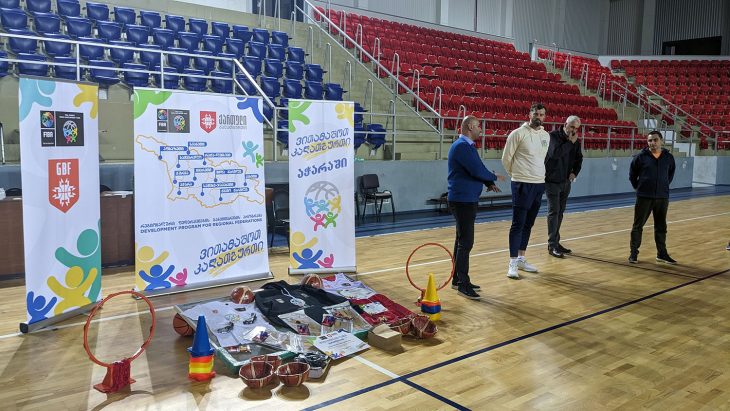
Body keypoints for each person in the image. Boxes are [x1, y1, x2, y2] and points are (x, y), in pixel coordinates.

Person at [448, 115, 505, 300]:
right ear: (470, 127)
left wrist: (488, 182)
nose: (481, 129)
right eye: (479, 126)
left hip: (466, 199)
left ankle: (458, 279)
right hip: (463, 200)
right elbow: (477, 170)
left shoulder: (467, 146)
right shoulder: (462, 147)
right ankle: (463, 284)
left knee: (461, 240)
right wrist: (494, 177)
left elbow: (476, 168)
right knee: (466, 243)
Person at [501, 102, 550, 279]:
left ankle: (521, 258)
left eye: (542, 115)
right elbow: (506, 159)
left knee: (529, 223)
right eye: (536, 114)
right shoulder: (517, 134)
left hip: (539, 184)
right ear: (530, 114)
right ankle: (512, 262)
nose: (539, 117)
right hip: (522, 184)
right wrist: (517, 175)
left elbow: (541, 159)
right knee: (518, 224)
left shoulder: (546, 136)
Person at [628, 130, 676, 264]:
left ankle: (662, 254)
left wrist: (662, 186)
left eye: (655, 140)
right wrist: (639, 187)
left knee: (661, 226)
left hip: (662, 197)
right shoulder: (640, 157)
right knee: (638, 226)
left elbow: (670, 174)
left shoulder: (668, 157)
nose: (652, 143)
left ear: (661, 141)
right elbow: (632, 175)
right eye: (650, 140)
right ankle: (633, 253)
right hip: (644, 197)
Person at [544, 115, 583, 258]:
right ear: (565, 124)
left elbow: (579, 158)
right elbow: (555, 154)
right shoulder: (552, 136)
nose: (573, 130)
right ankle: (552, 245)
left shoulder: (575, 141)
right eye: (572, 127)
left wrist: (574, 172)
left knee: (560, 213)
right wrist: (570, 143)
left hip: (566, 182)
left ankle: (556, 242)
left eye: (576, 128)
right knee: (554, 212)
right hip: (551, 181)